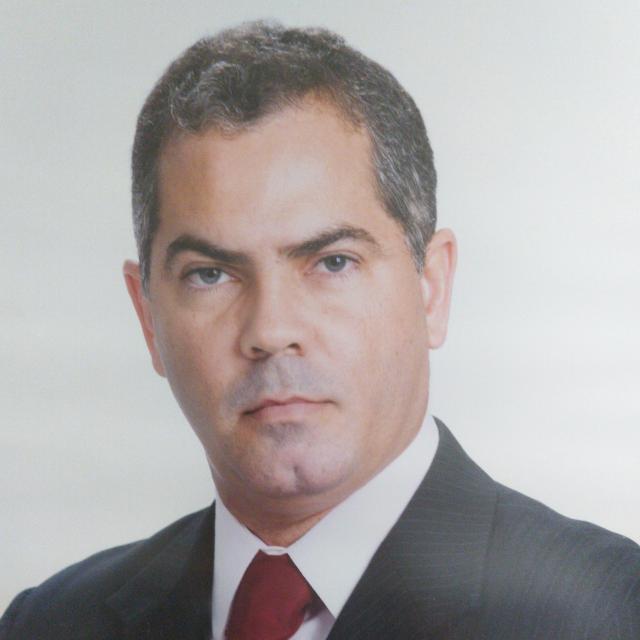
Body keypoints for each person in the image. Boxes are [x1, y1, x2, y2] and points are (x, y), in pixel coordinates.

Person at [1, 20, 638, 640]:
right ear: (148, 319)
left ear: (432, 287)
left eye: (333, 262)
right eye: (210, 275)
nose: (271, 329)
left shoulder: (608, 615)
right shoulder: (49, 625)